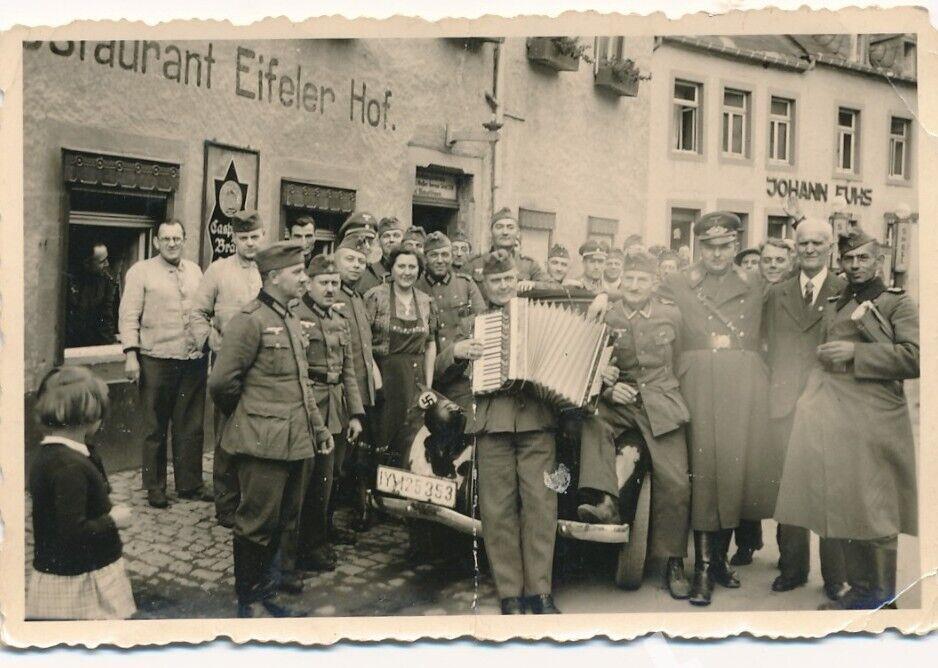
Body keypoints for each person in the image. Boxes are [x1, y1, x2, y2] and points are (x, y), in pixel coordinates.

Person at [775, 227, 918, 610]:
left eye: (863, 258)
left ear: (878, 260)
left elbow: (915, 357)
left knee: (876, 505)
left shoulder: (896, 304)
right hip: (834, 413)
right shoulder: (838, 300)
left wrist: (856, 353)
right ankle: (859, 590)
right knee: (847, 501)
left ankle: (883, 597)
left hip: (876, 415)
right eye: (849, 259)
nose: (855, 265)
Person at [208, 241, 333, 618]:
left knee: (284, 521)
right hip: (262, 443)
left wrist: (318, 428)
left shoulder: (290, 317)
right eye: (297, 272)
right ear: (274, 276)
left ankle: (268, 593)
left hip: (296, 439)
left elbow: (301, 382)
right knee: (256, 524)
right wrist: (250, 417)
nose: (304, 278)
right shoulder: (250, 320)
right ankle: (249, 603)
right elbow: (221, 383)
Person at [657, 211, 771, 606]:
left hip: (742, 381)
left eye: (725, 246)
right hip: (698, 379)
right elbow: (645, 306)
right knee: (705, 472)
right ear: (698, 246)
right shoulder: (677, 282)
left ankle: (719, 558)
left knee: (732, 471)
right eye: (709, 246)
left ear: (736, 245)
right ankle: (703, 568)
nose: (717, 253)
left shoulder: (756, 283)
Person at [577, 251, 692, 600]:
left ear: (654, 283)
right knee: (591, 420)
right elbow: (590, 362)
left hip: (661, 403)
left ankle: (674, 561)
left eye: (642, 280)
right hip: (621, 402)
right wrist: (609, 388)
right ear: (620, 281)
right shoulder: (606, 316)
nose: (635, 286)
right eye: (629, 279)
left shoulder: (672, 315)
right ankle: (606, 501)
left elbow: (683, 360)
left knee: (675, 481)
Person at [762, 219, 848, 599]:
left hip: (828, 403)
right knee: (789, 489)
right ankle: (793, 568)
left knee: (830, 490)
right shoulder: (778, 292)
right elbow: (766, 344)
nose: (810, 248)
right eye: (804, 242)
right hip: (784, 405)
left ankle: (835, 576)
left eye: (817, 242)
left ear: (830, 248)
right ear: (795, 248)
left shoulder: (844, 291)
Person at [472, 250, 560, 615]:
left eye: (509, 279)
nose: (504, 286)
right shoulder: (473, 321)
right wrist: (458, 352)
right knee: (497, 509)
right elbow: (443, 364)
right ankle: (510, 593)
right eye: (496, 281)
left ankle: (540, 592)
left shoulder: (540, 315)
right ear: (485, 285)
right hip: (493, 423)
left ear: (517, 279)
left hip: (536, 421)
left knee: (542, 504)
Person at [27, 366, 136, 620]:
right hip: (81, 578)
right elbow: (73, 531)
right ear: (89, 416)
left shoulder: (53, 455)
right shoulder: (69, 466)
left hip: (67, 572)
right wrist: (113, 520)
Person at [283, 254, 365, 581]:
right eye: (325, 283)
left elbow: (348, 371)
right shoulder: (296, 315)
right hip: (310, 407)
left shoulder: (339, 318)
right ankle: (304, 548)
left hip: (337, 407)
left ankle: (321, 535)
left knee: (329, 479)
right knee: (308, 481)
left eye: (335, 283)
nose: (331, 289)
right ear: (310, 284)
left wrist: (355, 414)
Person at [118, 220, 208, 509]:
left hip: (191, 360)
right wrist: (131, 354)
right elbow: (129, 315)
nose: (172, 243)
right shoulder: (140, 272)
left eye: (177, 238)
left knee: (190, 425)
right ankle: (155, 487)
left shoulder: (195, 271)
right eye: (166, 238)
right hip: (155, 358)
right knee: (154, 426)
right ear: (156, 241)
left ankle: (190, 484)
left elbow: (203, 311)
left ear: (185, 240)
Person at [190, 209, 264, 527]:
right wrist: (214, 343)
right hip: (229, 369)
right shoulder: (218, 271)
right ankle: (226, 505)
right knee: (226, 436)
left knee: (259, 434)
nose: (250, 244)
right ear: (234, 239)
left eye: (255, 237)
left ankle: (254, 500)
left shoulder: (271, 270)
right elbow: (197, 313)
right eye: (243, 238)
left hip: (263, 368)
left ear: (263, 235)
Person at [364, 248, 437, 460]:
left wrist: (428, 386)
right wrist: (377, 381)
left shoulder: (426, 301)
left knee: (412, 441)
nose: (407, 272)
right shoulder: (375, 296)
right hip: (384, 379)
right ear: (392, 269)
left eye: (412, 267)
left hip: (414, 381)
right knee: (381, 439)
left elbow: (431, 343)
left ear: (419, 270)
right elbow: (363, 342)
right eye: (401, 266)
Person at [332, 234, 380, 531]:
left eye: (362, 261)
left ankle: (344, 516)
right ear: (336, 259)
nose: (356, 266)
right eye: (350, 259)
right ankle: (330, 520)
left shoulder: (357, 297)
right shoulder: (332, 296)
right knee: (336, 461)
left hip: (359, 390)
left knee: (351, 458)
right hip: (339, 393)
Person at [466, 207, 551, 299]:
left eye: (510, 227)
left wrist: (533, 284)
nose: (505, 232)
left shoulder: (529, 265)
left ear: (518, 233)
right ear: (491, 231)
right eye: (499, 227)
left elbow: (554, 286)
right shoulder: (475, 264)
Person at [66, 243, 121, 348]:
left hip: (92, 343)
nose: (107, 264)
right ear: (87, 263)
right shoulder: (67, 282)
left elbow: (106, 316)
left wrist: (109, 345)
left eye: (107, 259)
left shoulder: (105, 280)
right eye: (102, 261)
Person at [358, 215, 404, 293]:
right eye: (386, 236)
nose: (391, 240)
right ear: (378, 241)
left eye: (396, 235)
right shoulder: (368, 275)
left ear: (403, 240)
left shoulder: (412, 272)